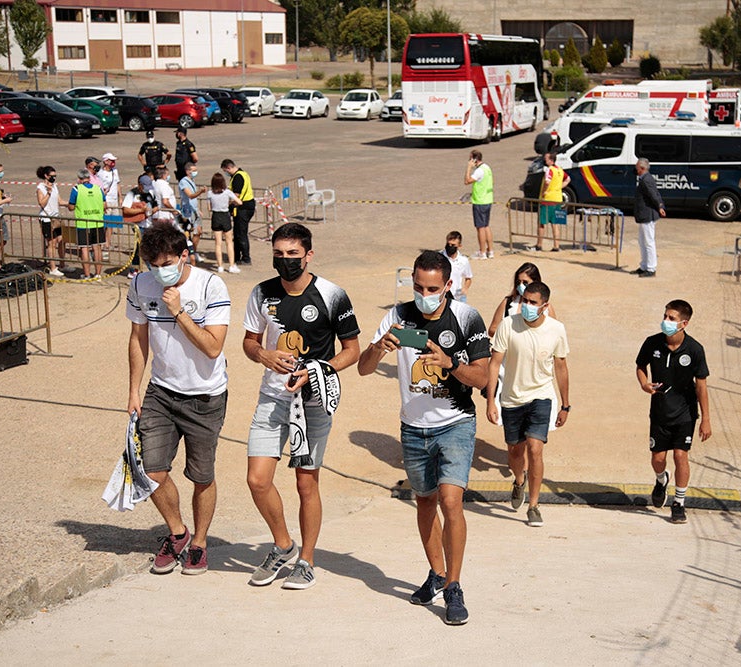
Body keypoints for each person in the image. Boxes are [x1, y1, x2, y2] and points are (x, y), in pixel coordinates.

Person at [357, 250, 491, 626]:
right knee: (425, 503)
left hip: (456, 423)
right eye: (418, 286)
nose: (424, 293)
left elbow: (482, 379)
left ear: (448, 285)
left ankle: (453, 586)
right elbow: (364, 370)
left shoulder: (467, 317)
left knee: (451, 501)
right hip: (413, 427)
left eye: (432, 288)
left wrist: (451, 364)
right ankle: (435, 573)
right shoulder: (397, 316)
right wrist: (377, 347)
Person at [243, 222, 361, 590]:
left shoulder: (331, 295)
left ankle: (307, 560)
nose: (286, 261)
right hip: (273, 396)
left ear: (309, 255)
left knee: (305, 482)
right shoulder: (261, 293)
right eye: (279, 255)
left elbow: (352, 351)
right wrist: (264, 355)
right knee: (257, 479)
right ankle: (283, 545)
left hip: (313, 401)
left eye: (293, 254)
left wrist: (315, 371)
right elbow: (249, 342)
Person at [126, 224, 231, 575]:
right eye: (153, 264)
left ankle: (200, 542)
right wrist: (133, 390)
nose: (160, 271)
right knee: (150, 470)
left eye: (168, 263)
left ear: (185, 256)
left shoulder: (210, 285)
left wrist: (179, 311)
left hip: (204, 396)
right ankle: (178, 533)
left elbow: (213, 347)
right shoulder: (141, 284)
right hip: (160, 391)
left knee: (201, 476)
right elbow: (138, 338)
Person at [486, 281, 569, 528]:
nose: (527, 307)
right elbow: (494, 363)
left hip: (541, 396)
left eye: (533, 303)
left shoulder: (557, 330)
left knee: (535, 448)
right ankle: (519, 480)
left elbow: (561, 366)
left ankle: (534, 505)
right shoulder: (508, 325)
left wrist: (565, 405)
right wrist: (491, 400)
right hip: (511, 399)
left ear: (545, 306)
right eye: (525, 301)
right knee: (515, 452)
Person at [635, 299, 712, 524]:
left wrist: (705, 419)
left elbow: (702, 385)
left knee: (680, 455)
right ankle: (661, 480)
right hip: (659, 412)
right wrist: (644, 383)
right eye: (665, 316)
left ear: (684, 324)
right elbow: (640, 366)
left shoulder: (695, 350)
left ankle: (679, 503)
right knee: (658, 459)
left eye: (671, 318)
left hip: (685, 413)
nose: (665, 321)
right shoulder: (652, 343)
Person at [487, 262, 557, 337]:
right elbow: (492, 329)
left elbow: (554, 331)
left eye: (525, 283)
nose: (521, 285)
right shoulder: (508, 302)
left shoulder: (545, 308)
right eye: (518, 282)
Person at [68, 168, 106, 279]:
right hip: (97, 222)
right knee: (97, 248)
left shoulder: (76, 189)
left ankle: (87, 274)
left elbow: (71, 206)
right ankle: (98, 273)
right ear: (89, 178)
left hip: (83, 223)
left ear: (79, 179)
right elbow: (104, 205)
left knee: (84, 249)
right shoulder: (98, 189)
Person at [632, 157, 666, 278]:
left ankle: (651, 268)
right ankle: (644, 266)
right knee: (642, 241)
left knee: (648, 242)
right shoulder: (644, 179)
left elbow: (654, 194)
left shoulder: (646, 180)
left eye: (637, 167)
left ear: (642, 168)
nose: (635, 169)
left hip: (647, 215)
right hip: (644, 215)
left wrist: (660, 206)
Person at [121, 174, 160, 278]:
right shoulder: (132, 194)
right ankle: (152, 271)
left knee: (140, 249)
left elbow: (155, 206)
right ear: (140, 185)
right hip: (138, 226)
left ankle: (134, 269)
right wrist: (140, 210)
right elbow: (125, 209)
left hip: (149, 224)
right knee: (145, 248)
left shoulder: (151, 193)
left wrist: (154, 211)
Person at [203, 172, 241, 274]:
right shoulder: (227, 192)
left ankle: (220, 266)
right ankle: (231, 265)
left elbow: (209, 208)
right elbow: (239, 202)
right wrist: (229, 203)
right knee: (229, 242)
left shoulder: (210, 193)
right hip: (225, 216)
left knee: (218, 243)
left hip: (216, 216)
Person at [221, 159, 255, 266]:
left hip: (243, 208)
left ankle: (245, 258)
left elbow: (236, 196)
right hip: (246, 206)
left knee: (241, 233)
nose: (225, 173)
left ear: (228, 168)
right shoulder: (243, 174)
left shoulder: (238, 177)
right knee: (238, 233)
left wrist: (227, 205)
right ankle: (237, 256)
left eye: (225, 171)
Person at [36, 166, 67, 277]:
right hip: (47, 218)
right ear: (46, 176)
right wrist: (48, 193)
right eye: (52, 176)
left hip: (56, 217)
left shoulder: (55, 186)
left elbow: (59, 200)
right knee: (51, 243)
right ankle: (53, 267)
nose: (54, 178)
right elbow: (41, 203)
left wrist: (71, 204)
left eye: (55, 176)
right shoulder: (41, 188)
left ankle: (62, 264)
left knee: (62, 240)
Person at [536, 152, 569, 252]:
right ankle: (556, 245)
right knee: (555, 224)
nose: (545, 160)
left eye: (546, 158)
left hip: (548, 200)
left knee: (542, 223)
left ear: (551, 160)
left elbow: (547, 181)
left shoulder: (549, 170)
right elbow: (567, 179)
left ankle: (539, 244)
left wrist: (544, 191)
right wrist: (559, 187)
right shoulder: (559, 170)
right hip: (558, 199)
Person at [464, 149, 493, 259]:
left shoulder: (479, 171)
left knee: (480, 227)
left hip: (480, 201)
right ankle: (490, 251)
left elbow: (467, 181)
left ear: (474, 159)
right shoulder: (487, 168)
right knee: (486, 226)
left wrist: (468, 168)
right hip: (487, 199)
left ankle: (482, 252)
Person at [178, 164, 205, 266]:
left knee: (198, 232)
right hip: (187, 211)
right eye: (193, 170)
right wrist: (200, 191)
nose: (195, 172)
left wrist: (198, 209)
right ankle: (188, 253)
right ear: (187, 171)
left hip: (194, 210)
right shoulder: (183, 182)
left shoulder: (192, 181)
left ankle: (194, 251)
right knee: (188, 233)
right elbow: (190, 195)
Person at [99, 152, 123, 252]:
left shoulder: (115, 171)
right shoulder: (100, 173)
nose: (113, 162)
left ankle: (108, 243)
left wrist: (120, 197)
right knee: (105, 222)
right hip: (106, 200)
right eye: (111, 160)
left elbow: (117, 184)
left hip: (114, 200)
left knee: (112, 223)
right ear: (105, 161)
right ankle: (102, 242)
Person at [441, 230, 472, 302]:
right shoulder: (439, 258)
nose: (450, 247)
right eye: (448, 244)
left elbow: (468, 278)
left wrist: (465, 289)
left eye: (453, 245)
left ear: (459, 246)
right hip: (442, 294)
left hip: (457, 296)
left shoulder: (463, 261)